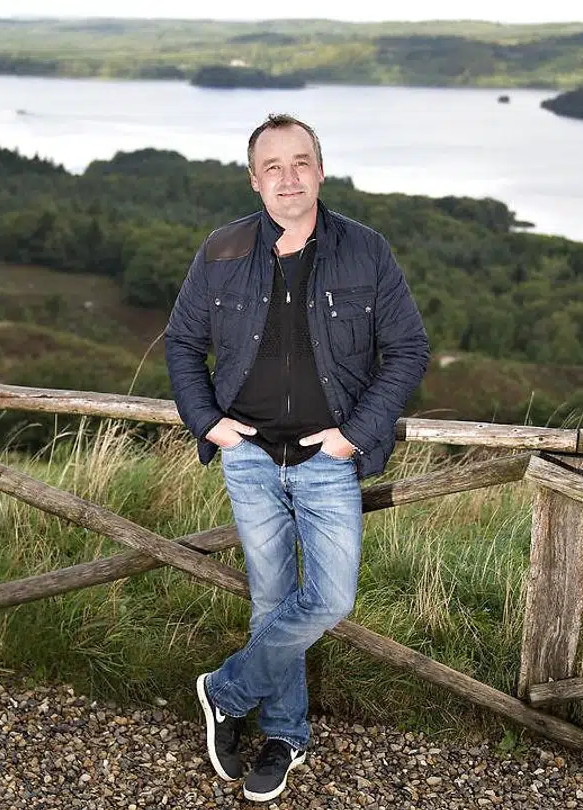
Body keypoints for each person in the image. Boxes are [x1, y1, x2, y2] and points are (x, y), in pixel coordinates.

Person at [164, 113, 429, 803]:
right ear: (255, 179)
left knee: (331, 598)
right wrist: (208, 423)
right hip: (246, 455)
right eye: (273, 166)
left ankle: (225, 691)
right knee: (272, 602)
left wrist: (355, 434)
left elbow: (407, 349)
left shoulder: (365, 251)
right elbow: (181, 344)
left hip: (327, 459)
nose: (288, 177)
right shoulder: (221, 250)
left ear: (320, 169)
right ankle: (284, 737)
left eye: (300, 162)